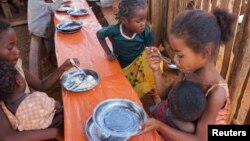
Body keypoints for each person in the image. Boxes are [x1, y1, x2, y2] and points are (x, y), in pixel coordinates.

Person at [140, 8, 235, 141]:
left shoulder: (216, 93)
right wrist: (156, 70)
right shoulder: (187, 70)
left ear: (205, 52)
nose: (175, 60)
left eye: (180, 55)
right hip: (177, 124)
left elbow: (200, 139)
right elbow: (165, 95)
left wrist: (160, 126)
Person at [0, 19, 77, 140]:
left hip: (39, 117)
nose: (17, 51)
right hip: (32, 132)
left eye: (16, 45)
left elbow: (41, 85)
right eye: (10, 48)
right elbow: (8, 137)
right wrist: (56, 132)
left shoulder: (15, 65)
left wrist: (63, 68)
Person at [96, 0, 157, 98]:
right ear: (124, 20)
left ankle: (146, 85)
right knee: (120, 91)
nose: (143, 24)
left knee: (154, 55)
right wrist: (108, 52)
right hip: (123, 67)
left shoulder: (144, 31)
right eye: (138, 21)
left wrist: (151, 51)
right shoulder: (114, 30)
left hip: (139, 67)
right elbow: (99, 34)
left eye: (144, 19)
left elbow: (150, 46)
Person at [0, 61, 63, 131]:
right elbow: (57, 105)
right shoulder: (38, 98)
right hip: (56, 126)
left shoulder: (6, 109)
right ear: (19, 81)